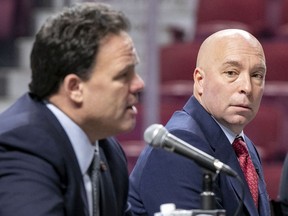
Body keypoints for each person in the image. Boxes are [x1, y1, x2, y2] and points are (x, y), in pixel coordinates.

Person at [0, 2, 144, 216]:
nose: (139, 84)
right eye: (123, 75)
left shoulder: (107, 150)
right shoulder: (22, 146)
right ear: (75, 88)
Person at [129, 29, 270, 216]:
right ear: (200, 80)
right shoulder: (180, 145)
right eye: (231, 73)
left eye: (257, 75)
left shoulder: (244, 145)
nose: (247, 87)